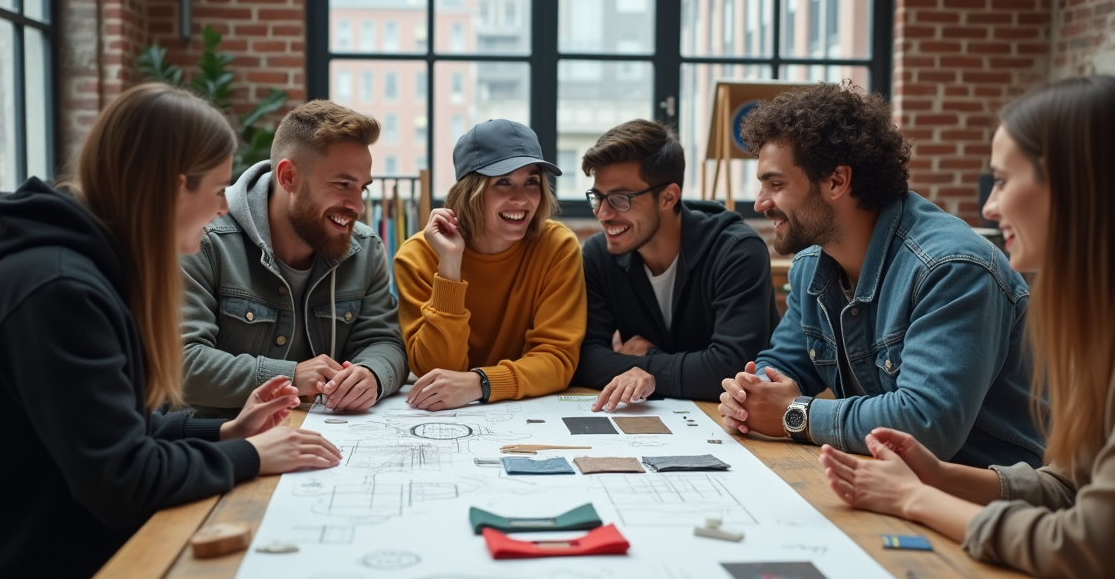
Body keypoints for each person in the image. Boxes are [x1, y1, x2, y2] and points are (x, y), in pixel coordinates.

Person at [0, 84, 342, 579]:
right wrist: (251, 457)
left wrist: (221, 431)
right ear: (175, 187)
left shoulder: (90, 271)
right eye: (217, 188)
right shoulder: (58, 291)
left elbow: (121, 427)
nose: (225, 208)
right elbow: (122, 480)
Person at [815, 76, 1115, 579]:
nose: (989, 207)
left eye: (1004, 181)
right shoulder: (1094, 323)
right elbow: (1070, 486)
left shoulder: (956, 265)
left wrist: (918, 500)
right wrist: (940, 476)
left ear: (1077, 186)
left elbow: (1086, 545)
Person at [718, 82, 1043, 469]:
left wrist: (795, 413)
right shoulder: (812, 265)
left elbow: (925, 424)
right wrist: (749, 396)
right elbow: (785, 363)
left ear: (837, 181)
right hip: (887, 481)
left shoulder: (951, 268)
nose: (760, 203)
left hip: (984, 499)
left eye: (776, 184)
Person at [181, 100, 408, 417]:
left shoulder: (366, 248)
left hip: (324, 444)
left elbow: (385, 341)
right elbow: (182, 363)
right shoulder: (201, 241)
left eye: (362, 188)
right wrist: (290, 377)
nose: (357, 206)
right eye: (342, 184)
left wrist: (371, 374)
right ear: (288, 177)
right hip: (224, 445)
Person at [573, 119, 779, 411]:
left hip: (733, 423)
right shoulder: (599, 255)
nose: (603, 214)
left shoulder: (736, 251)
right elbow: (586, 359)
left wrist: (647, 363)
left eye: (620, 199)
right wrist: (678, 367)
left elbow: (733, 368)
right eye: (598, 197)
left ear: (668, 197)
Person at [394, 119, 585, 410]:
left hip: (527, 413)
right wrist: (450, 265)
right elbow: (435, 371)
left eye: (531, 182)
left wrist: (481, 383)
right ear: (471, 191)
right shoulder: (418, 256)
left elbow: (557, 359)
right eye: (503, 182)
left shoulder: (557, 247)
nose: (520, 199)